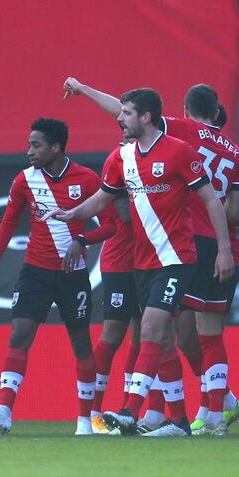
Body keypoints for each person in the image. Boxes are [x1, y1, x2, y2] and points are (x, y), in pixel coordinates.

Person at [46, 88, 235, 437]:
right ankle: (178, 420)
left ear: (146, 117)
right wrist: (72, 212)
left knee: (149, 329)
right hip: (142, 262)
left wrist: (224, 250)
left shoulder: (180, 152)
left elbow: (210, 201)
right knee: (162, 341)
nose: (120, 118)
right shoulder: (121, 158)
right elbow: (104, 197)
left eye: (127, 113)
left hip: (177, 258)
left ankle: (130, 410)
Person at [0, 118, 114, 436]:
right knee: (20, 334)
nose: (29, 151)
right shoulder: (24, 180)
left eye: (36, 145)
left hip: (72, 276)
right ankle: (4, 411)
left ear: (56, 147)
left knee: (80, 343)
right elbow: (8, 223)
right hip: (34, 271)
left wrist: (82, 240)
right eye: (28, 145)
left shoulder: (87, 179)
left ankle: (84, 421)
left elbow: (111, 224)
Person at [90, 154, 142, 435]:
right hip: (120, 263)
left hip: (149, 263)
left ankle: (125, 411)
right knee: (111, 336)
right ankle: (93, 412)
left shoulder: (151, 164)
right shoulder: (119, 167)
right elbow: (124, 214)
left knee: (141, 337)